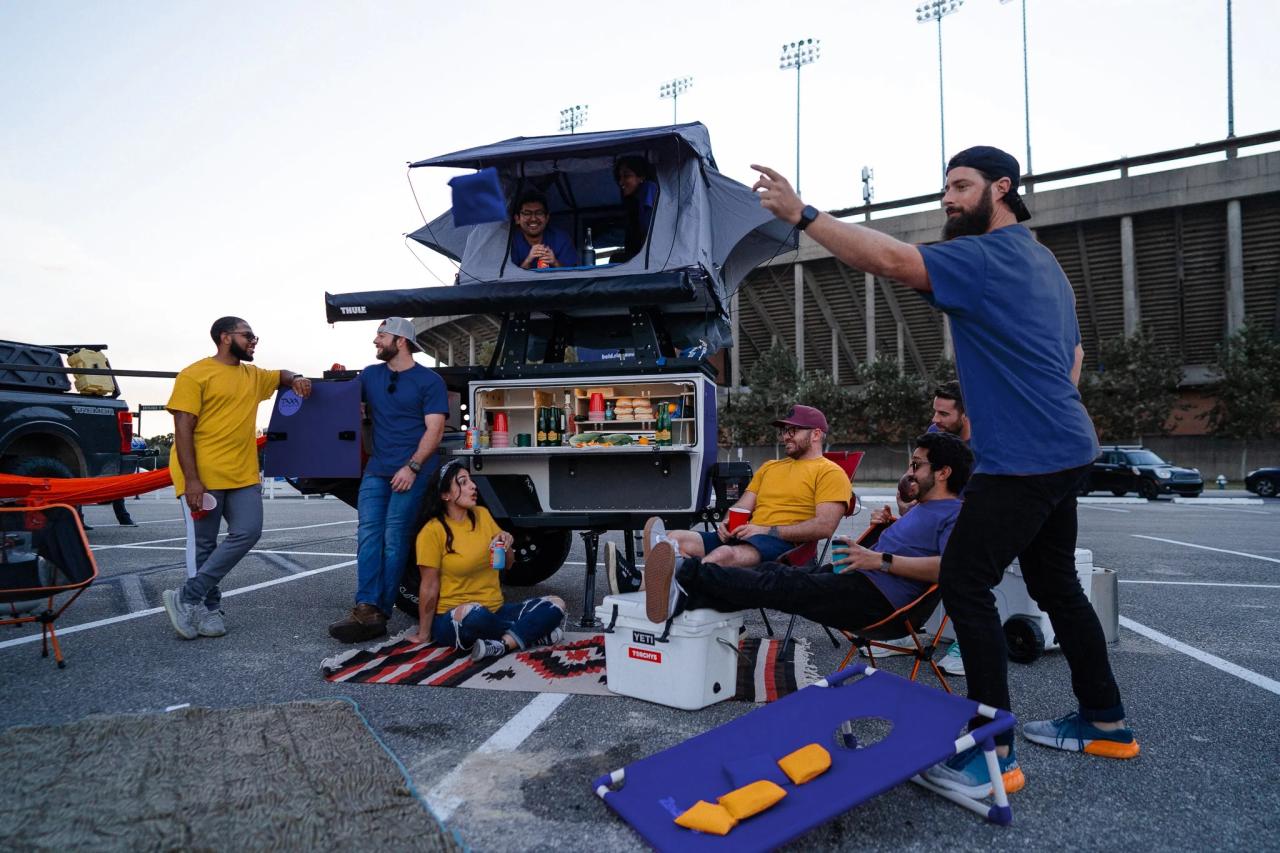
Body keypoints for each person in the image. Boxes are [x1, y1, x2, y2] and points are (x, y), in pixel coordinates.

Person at [749, 146, 1136, 798]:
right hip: (1069, 447)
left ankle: (990, 756)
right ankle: (1105, 719)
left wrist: (803, 214)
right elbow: (1071, 359)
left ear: (1003, 188)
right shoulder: (1047, 264)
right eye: (945, 188)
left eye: (962, 186)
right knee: (1054, 582)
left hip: (1026, 457)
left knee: (964, 579)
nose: (949, 199)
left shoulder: (988, 255)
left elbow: (893, 260)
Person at [162, 316, 311, 639]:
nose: (255, 340)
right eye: (249, 335)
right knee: (204, 544)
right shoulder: (194, 374)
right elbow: (183, 429)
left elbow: (281, 376)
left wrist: (296, 377)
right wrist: (192, 481)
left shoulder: (253, 375)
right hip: (203, 474)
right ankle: (208, 609)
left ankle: (186, 596)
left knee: (248, 532)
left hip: (242, 475)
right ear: (226, 337)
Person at [606, 404, 849, 594]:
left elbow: (824, 527)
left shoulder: (830, 472)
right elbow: (743, 505)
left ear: (816, 434)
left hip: (783, 546)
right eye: (784, 430)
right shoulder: (770, 467)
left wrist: (767, 531)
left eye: (793, 430)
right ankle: (661, 593)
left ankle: (647, 589)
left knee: (721, 558)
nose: (786, 436)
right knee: (672, 539)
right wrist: (726, 522)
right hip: (745, 535)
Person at [329, 317, 448, 643]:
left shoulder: (429, 380)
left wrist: (411, 467)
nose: (375, 341)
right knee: (368, 535)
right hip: (378, 469)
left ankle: (378, 612)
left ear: (401, 341)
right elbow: (343, 403)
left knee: (394, 539)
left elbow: (434, 430)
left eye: (381, 335)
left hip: (413, 468)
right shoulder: (370, 375)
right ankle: (366, 607)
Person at [408, 461, 566, 661]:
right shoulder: (432, 531)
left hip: (496, 611)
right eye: (463, 483)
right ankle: (532, 633)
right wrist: (424, 634)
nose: (473, 486)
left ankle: (503, 644)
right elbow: (429, 586)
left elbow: (507, 564)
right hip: (456, 616)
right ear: (445, 495)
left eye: (471, 481)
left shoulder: (481, 515)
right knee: (474, 615)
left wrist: (507, 544)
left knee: (555, 604)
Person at [510, 190, 578, 270]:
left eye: (539, 213)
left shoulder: (561, 238)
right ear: (517, 219)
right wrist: (528, 260)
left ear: (547, 218)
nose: (533, 219)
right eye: (527, 213)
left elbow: (572, 277)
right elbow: (508, 279)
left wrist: (555, 262)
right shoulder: (509, 242)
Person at [614, 155, 658, 263]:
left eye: (626, 176)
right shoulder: (633, 202)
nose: (621, 182)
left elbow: (649, 233)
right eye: (620, 177)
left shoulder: (649, 189)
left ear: (641, 177)